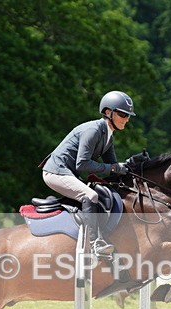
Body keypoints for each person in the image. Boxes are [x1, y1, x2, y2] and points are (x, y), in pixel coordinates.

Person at [38, 90, 136, 258]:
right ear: (108, 112)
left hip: (68, 173)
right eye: (123, 114)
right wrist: (114, 168)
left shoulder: (108, 136)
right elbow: (82, 164)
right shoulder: (93, 130)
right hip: (55, 172)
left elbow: (112, 167)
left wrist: (132, 166)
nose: (126, 119)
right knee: (90, 196)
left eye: (128, 116)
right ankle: (95, 243)